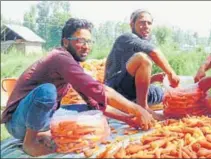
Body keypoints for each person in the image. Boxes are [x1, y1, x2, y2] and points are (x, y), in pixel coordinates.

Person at [0, 18, 155, 157]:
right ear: (66, 42)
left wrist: (127, 119)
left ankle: (39, 132)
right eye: (81, 40)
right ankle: (30, 143)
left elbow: (94, 100)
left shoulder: (73, 65)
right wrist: (137, 109)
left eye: (89, 42)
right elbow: (100, 90)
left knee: (89, 110)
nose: (86, 46)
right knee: (47, 91)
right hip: (17, 122)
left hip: (40, 119)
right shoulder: (59, 58)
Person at [104, 9, 180, 120]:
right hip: (116, 89)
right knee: (143, 59)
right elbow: (154, 52)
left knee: (164, 92)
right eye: (142, 22)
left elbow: (133, 78)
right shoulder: (126, 38)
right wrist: (171, 73)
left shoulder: (144, 42)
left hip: (129, 90)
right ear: (132, 24)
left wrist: (152, 79)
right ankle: (143, 107)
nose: (146, 26)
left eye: (149, 23)